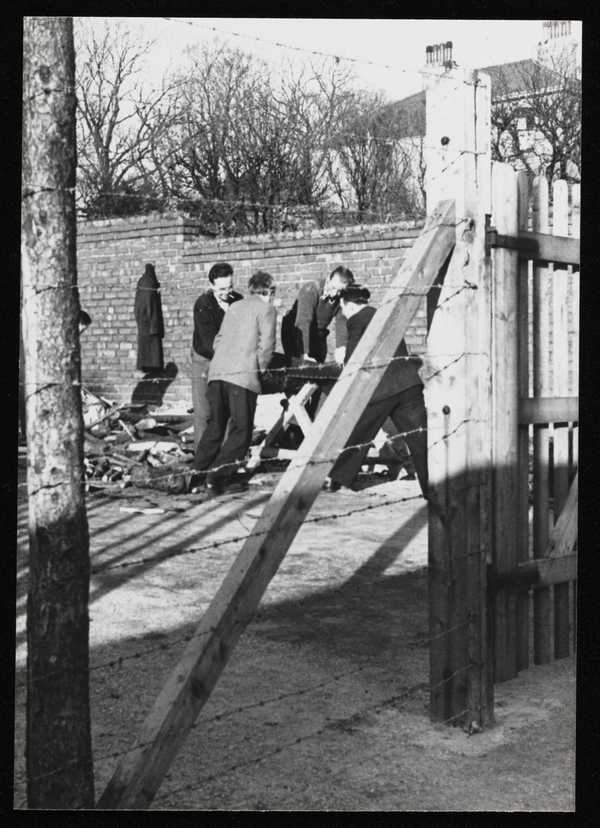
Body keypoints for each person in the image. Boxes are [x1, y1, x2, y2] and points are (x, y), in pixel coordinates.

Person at [325, 284, 428, 497]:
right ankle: (432, 486)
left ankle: (338, 480)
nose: (343, 313)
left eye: (342, 308)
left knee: (359, 431)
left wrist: (343, 360)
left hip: (381, 388)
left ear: (347, 304)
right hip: (408, 383)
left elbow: (355, 358)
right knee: (420, 438)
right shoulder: (383, 314)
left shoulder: (356, 320)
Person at [193, 271, 277, 497]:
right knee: (242, 430)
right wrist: (259, 371)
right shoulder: (267, 309)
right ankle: (216, 478)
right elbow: (266, 345)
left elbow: (218, 340)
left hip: (217, 374)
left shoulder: (235, 307)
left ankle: (195, 474)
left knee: (216, 426)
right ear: (269, 291)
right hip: (242, 377)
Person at [280, 265, 354, 419]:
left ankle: (311, 417)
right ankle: (293, 421)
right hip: (296, 333)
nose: (334, 293)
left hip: (318, 334)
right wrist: (304, 353)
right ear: (328, 280)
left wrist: (342, 349)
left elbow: (341, 321)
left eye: (339, 291)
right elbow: (303, 322)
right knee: (300, 375)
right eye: (332, 288)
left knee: (319, 376)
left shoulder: (340, 297)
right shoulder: (311, 290)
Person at [191, 262, 243, 448]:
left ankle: (224, 460)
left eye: (230, 287)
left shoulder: (238, 300)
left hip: (230, 360)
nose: (226, 292)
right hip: (205, 359)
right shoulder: (203, 305)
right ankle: (202, 459)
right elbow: (208, 343)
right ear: (211, 286)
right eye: (221, 289)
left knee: (229, 410)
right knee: (205, 412)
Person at [134, 263, 164, 372]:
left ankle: (148, 366)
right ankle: (152, 367)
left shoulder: (142, 281)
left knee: (146, 347)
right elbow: (149, 302)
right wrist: (154, 324)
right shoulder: (149, 281)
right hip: (150, 321)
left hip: (144, 320)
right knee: (151, 348)